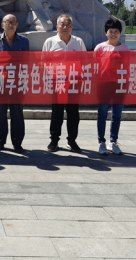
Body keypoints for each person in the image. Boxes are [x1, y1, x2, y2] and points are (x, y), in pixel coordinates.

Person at [42, 14, 86, 153]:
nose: (65, 27)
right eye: (62, 24)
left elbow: (84, 62)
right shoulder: (50, 42)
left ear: (72, 27)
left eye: (68, 25)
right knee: (57, 113)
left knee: (73, 113)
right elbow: (44, 63)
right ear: (57, 27)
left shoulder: (78, 42)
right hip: (57, 83)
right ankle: (54, 140)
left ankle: (72, 141)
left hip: (74, 83)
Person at [0, 14, 29, 154]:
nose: (10, 24)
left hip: (17, 83)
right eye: (7, 22)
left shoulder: (24, 41)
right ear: (2, 25)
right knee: (0, 113)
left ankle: (17, 143)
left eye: (13, 22)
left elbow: (27, 62)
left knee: (17, 113)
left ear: (17, 25)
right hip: (0, 83)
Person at [93, 18, 130, 156]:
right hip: (103, 85)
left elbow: (129, 67)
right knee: (102, 113)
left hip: (120, 84)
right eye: (111, 31)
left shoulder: (125, 49)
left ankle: (113, 141)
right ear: (106, 33)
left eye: (116, 31)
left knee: (117, 114)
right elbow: (94, 66)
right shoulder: (100, 48)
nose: (113, 34)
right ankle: (101, 141)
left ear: (120, 33)